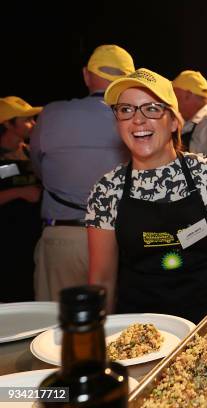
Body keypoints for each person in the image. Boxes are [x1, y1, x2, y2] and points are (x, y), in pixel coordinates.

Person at [86, 68, 207, 323]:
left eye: (151, 108)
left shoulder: (206, 174)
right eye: (126, 109)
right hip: (138, 334)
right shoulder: (107, 190)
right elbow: (102, 279)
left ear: (174, 121)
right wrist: (98, 342)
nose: (137, 120)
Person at [29, 45, 135, 301]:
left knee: (54, 330)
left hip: (64, 237)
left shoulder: (51, 114)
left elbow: (39, 169)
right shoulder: (135, 118)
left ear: (87, 75)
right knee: (117, 330)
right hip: (122, 238)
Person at [0, 96, 42, 301]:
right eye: (26, 119)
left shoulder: (30, 152)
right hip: (6, 241)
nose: (33, 124)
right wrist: (20, 193)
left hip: (32, 237)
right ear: (7, 123)